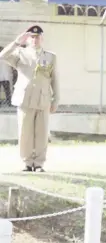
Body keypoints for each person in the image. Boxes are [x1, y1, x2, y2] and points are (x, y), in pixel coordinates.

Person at [0, 25, 60, 172]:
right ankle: (27, 163)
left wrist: (56, 99)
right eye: (32, 37)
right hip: (24, 99)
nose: (35, 39)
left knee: (41, 132)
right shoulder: (20, 53)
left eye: (37, 37)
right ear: (28, 39)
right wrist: (16, 42)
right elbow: (3, 56)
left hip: (43, 99)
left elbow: (55, 79)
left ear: (42, 38)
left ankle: (39, 163)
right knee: (25, 133)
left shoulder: (50, 56)